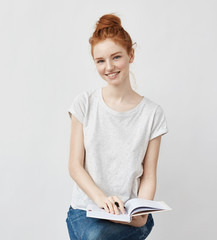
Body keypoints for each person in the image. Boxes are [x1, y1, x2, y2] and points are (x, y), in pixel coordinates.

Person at [66, 13, 168, 240]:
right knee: (97, 237)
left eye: (116, 57)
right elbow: (75, 166)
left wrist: (142, 210)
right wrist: (102, 200)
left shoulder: (152, 114)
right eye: (100, 61)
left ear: (131, 55)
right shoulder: (85, 103)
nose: (109, 67)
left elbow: (149, 174)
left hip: (128, 213)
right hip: (87, 210)